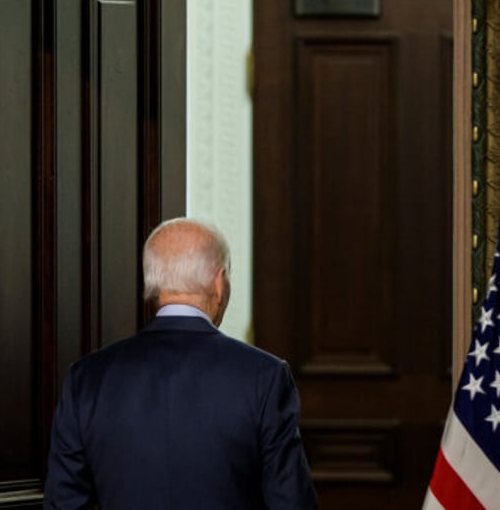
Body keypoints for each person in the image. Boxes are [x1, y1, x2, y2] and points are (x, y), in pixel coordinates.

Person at [44, 217, 319, 509]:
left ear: (154, 284)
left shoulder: (86, 379)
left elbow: (64, 504)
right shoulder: (265, 376)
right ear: (218, 281)